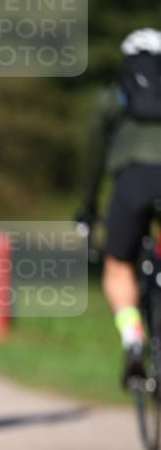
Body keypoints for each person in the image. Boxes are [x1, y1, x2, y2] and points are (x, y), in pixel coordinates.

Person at [78, 28, 161, 387]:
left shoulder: (114, 96)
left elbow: (95, 156)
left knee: (118, 265)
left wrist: (88, 207)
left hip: (131, 184)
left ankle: (133, 339)